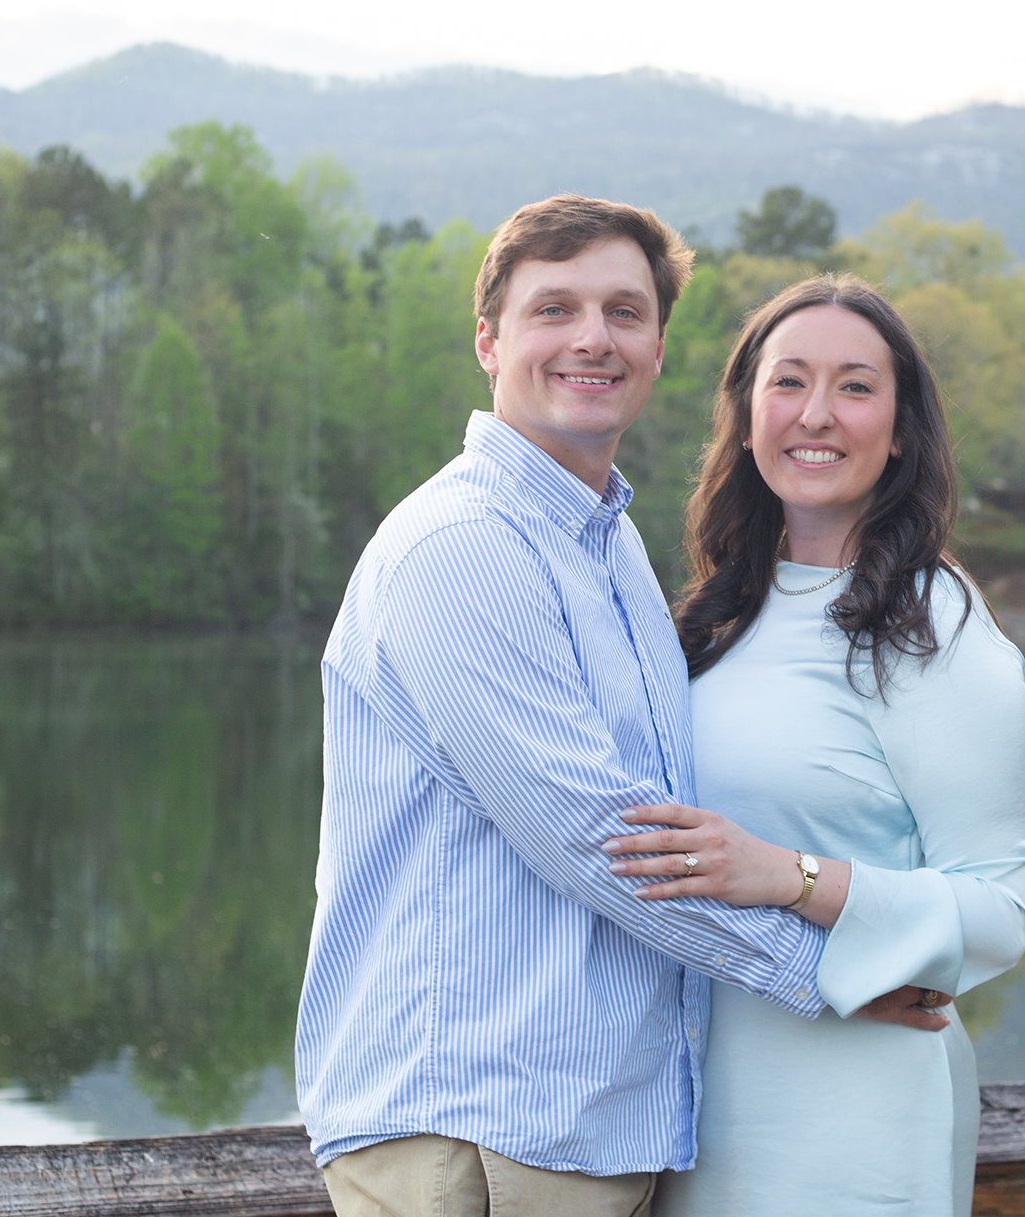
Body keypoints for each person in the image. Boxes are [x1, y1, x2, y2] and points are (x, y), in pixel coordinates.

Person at [297, 198, 941, 1217]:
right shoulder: (461, 547)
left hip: (582, 1128)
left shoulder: (612, 552)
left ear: (655, 347)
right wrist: (832, 969)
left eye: (624, 311)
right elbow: (606, 839)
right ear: (489, 339)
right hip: (477, 1131)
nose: (592, 337)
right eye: (555, 308)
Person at [601, 274, 1025, 1217]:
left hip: (857, 1120)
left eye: (855, 386)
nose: (818, 415)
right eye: (789, 382)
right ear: (747, 416)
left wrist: (789, 875)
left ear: (900, 425)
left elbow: (1001, 912)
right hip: (698, 1110)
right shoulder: (714, 617)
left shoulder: (934, 624)